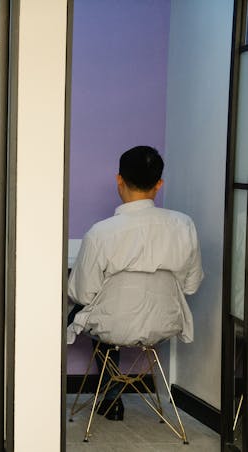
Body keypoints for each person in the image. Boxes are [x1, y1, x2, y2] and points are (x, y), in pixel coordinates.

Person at [67, 145, 204, 421]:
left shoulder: (101, 233)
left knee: (89, 313)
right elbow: (191, 286)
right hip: (164, 324)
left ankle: (109, 395)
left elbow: (80, 292)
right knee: (109, 312)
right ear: (159, 183)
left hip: (113, 325)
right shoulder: (184, 225)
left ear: (119, 180)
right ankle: (112, 396)